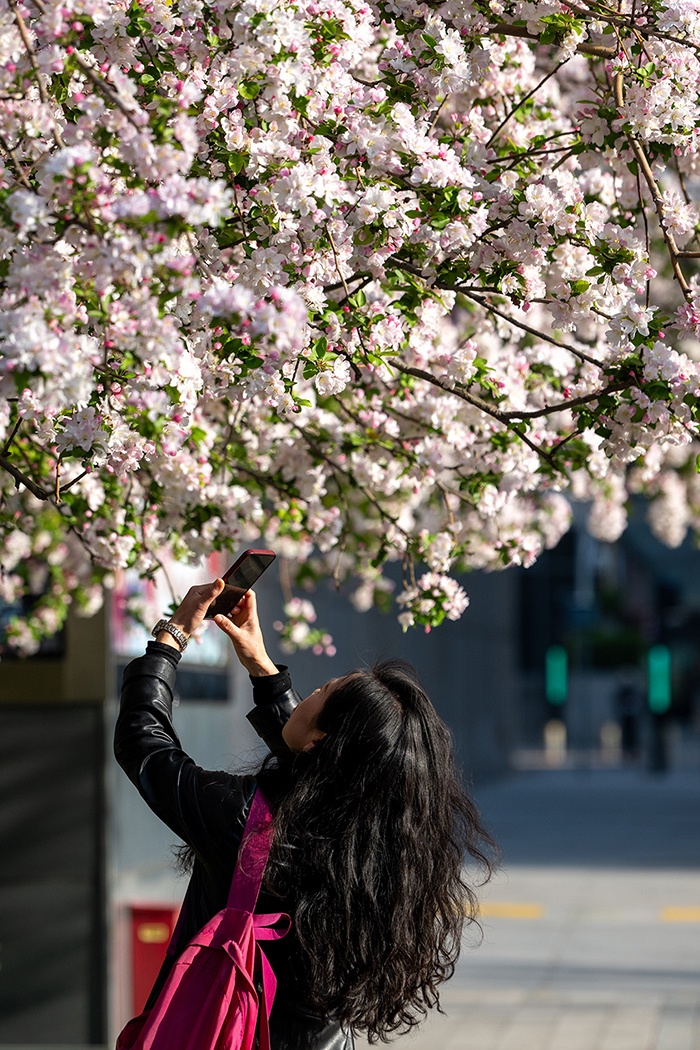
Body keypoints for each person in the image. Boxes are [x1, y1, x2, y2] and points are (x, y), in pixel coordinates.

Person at [115, 578, 496, 1049]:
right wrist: (263, 668)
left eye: (322, 688)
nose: (310, 691)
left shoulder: (243, 821)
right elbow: (321, 768)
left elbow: (144, 743)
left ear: (321, 744)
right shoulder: (377, 838)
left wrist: (171, 637)